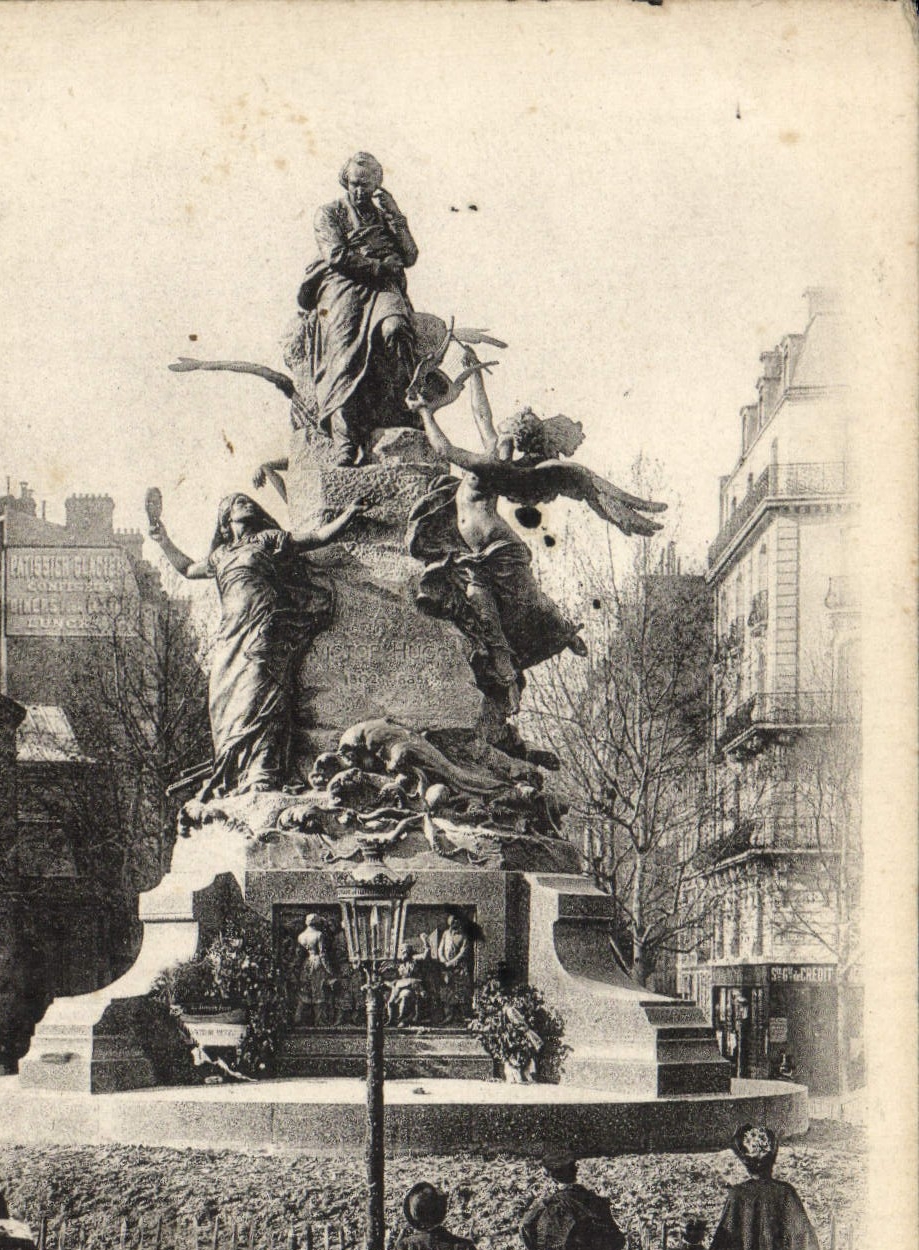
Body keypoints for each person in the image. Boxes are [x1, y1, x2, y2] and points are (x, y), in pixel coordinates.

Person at [406, 352, 664, 753]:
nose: (500, 438)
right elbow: (481, 415)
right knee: (487, 623)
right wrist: (474, 372)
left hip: (500, 550)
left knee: (525, 605)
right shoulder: (494, 449)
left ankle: (562, 637)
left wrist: (425, 413)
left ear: (516, 443)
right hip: (476, 556)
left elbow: (444, 450)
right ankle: (505, 686)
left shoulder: (492, 464)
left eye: (508, 438)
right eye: (503, 434)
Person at [147, 489, 363, 796]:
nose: (245, 502)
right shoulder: (221, 555)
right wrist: (163, 540)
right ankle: (236, 773)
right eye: (237, 502)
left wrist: (348, 515)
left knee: (261, 696)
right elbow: (186, 568)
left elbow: (314, 538)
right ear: (225, 522)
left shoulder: (268, 539)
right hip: (229, 637)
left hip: (262, 628)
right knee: (224, 704)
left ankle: (263, 771)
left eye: (248, 500)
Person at [297, 152, 419, 464]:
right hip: (344, 284)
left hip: (383, 288)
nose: (360, 191)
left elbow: (410, 255)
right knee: (343, 356)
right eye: (354, 184)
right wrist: (380, 265)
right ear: (346, 181)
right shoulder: (329, 213)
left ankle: (406, 406)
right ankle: (346, 442)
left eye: (367, 185)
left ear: (378, 185)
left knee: (397, 328)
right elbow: (336, 255)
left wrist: (396, 215)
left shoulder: (382, 215)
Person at [294, 913, 337, 1027]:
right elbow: (322, 954)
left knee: (305, 991)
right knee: (319, 992)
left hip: (306, 963)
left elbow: (298, 954)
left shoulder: (301, 936)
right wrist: (329, 970)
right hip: (317, 963)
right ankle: (320, 1021)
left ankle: (299, 1018)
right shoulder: (319, 935)